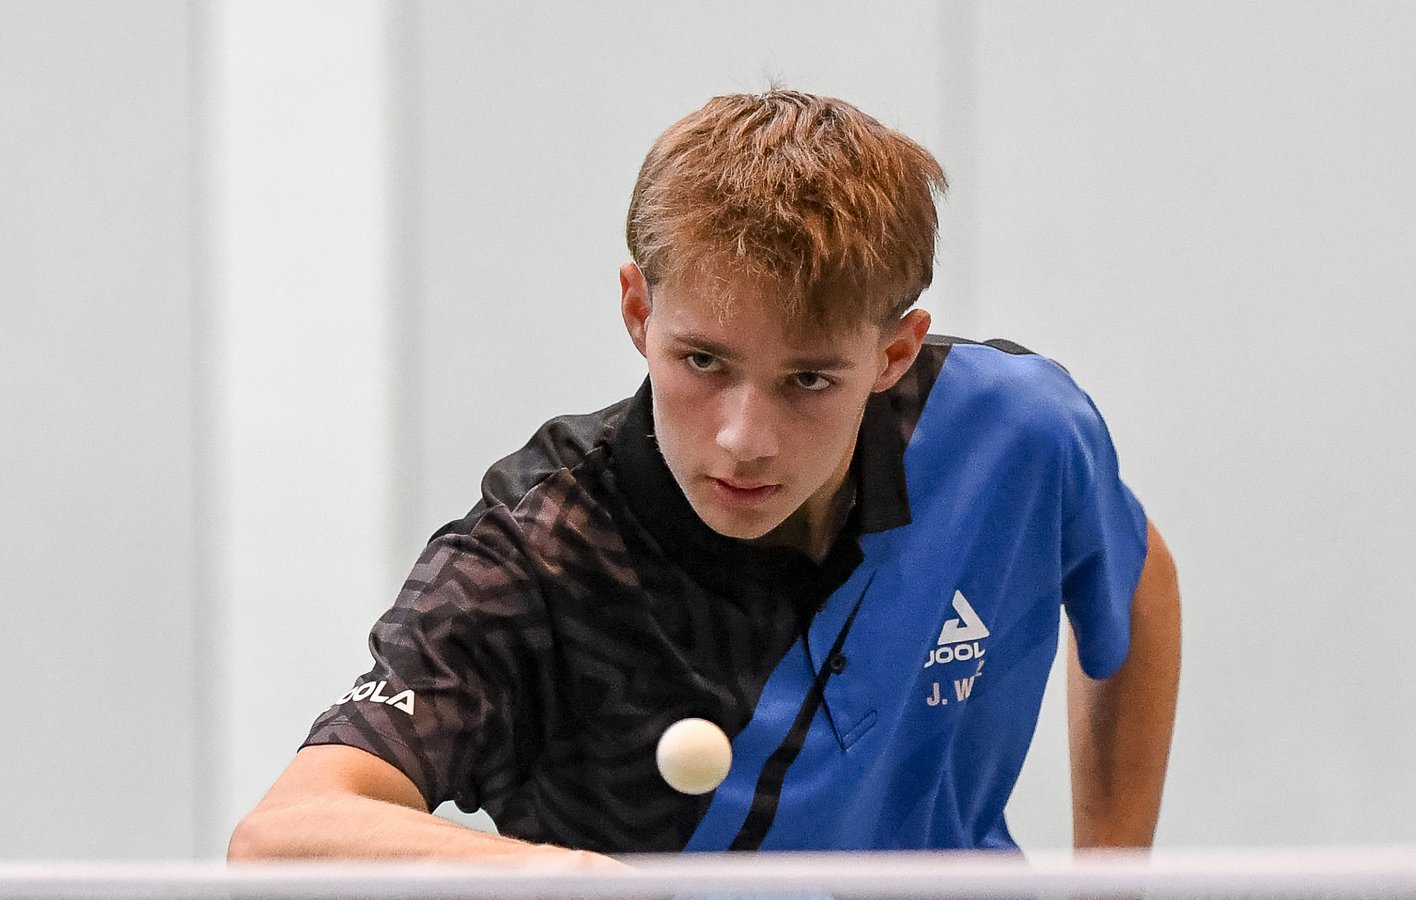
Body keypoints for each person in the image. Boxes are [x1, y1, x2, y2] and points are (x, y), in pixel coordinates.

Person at [229, 89, 1180, 865]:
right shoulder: (540, 557)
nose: (743, 439)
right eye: (703, 363)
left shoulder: (1010, 433)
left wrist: (1111, 879)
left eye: (808, 379)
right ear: (640, 311)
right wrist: (566, 883)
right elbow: (283, 836)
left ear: (894, 352)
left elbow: (1135, 582)